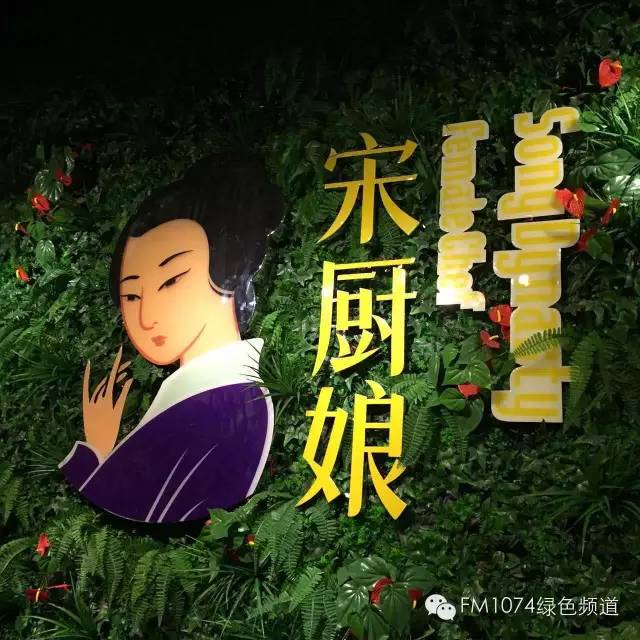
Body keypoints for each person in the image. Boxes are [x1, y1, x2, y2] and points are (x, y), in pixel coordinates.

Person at [58, 153, 283, 523]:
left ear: (227, 271)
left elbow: (142, 504)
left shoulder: (230, 406)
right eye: (132, 295)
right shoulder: (205, 397)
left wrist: (94, 454)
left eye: (172, 280)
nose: (146, 318)